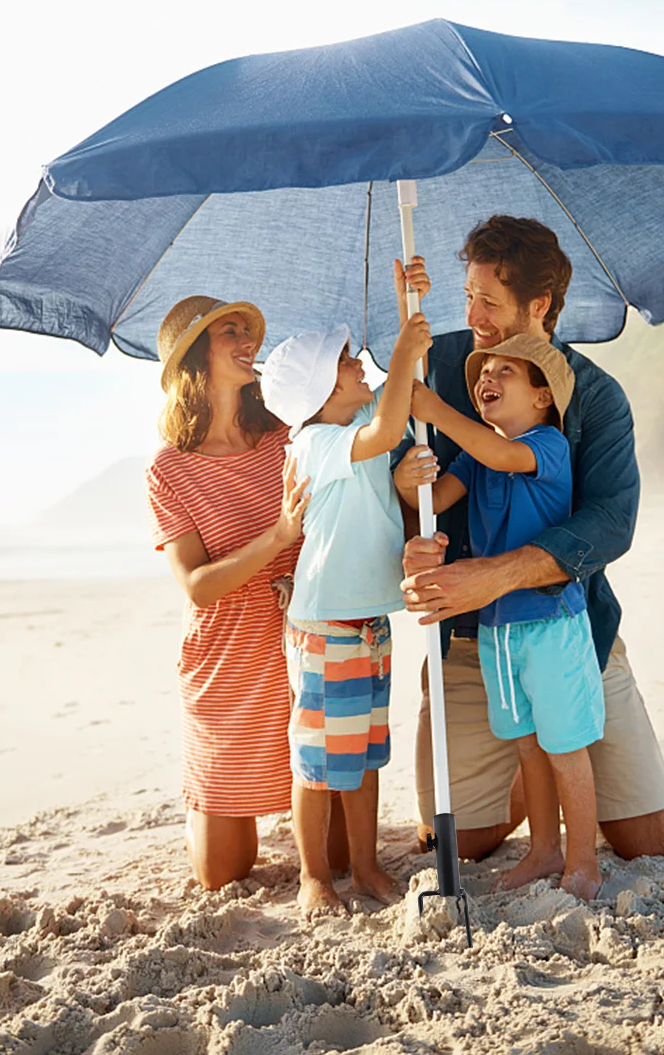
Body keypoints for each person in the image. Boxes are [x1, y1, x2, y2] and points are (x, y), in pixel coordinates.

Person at [393, 216, 664, 863]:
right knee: (461, 842)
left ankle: (554, 754)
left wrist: (495, 575)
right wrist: (411, 533)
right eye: (466, 295)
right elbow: (404, 494)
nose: (472, 316)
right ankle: (530, 772)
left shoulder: (596, 398)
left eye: (488, 301)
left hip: (567, 629)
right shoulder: (434, 366)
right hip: (473, 639)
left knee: (652, 842)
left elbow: (610, 522)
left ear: (541, 305)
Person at [396, 335, 604, 899]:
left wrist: (438, 412)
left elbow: (504, 457)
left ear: (542, 398)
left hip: (550, 625)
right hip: (496, 628)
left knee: (563, 746)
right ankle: (544, 850)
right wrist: (408, 477)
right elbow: (433, 500)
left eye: (505, 370)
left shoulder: (548, 445)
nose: (487, 376)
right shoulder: (474, 454)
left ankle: (583, 860)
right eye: (483, 370)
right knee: (527, 744)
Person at [261, 313, 431, 918]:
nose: (361, 360)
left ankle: (364, 866)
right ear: (321, 391)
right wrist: (403, 349)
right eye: (345, 359)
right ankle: (314, 876)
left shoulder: (356, 418)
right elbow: (388, 429)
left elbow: (404, 393)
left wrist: (405, 308)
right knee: (316, 764)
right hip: (325, 624)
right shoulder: (314, 443)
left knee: (363, 756)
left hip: (368, 622)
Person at [145, 295, 310, 890]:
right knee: (222, 874)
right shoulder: (170, 468)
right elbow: (196, 586)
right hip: (227, 657)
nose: (248, 340)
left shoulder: (286, 436)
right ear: (195, 357)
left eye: (248, 330)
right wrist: (279, 536)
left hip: (304, 639)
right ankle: (204, 801)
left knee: (336, 856)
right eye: (229, 332)